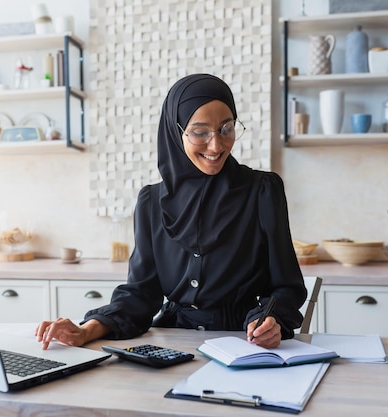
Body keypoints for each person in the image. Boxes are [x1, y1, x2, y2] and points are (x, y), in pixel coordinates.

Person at [36, 73, 307, 350]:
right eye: (200, 132)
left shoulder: (262, 191)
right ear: (175, 132)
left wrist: (270, 318)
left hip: (243, 344)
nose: (216, 145)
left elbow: (287, 287)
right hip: (172, 343)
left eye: (226, 129)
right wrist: (86, 330)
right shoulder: (151, 202)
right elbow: (141, 294)